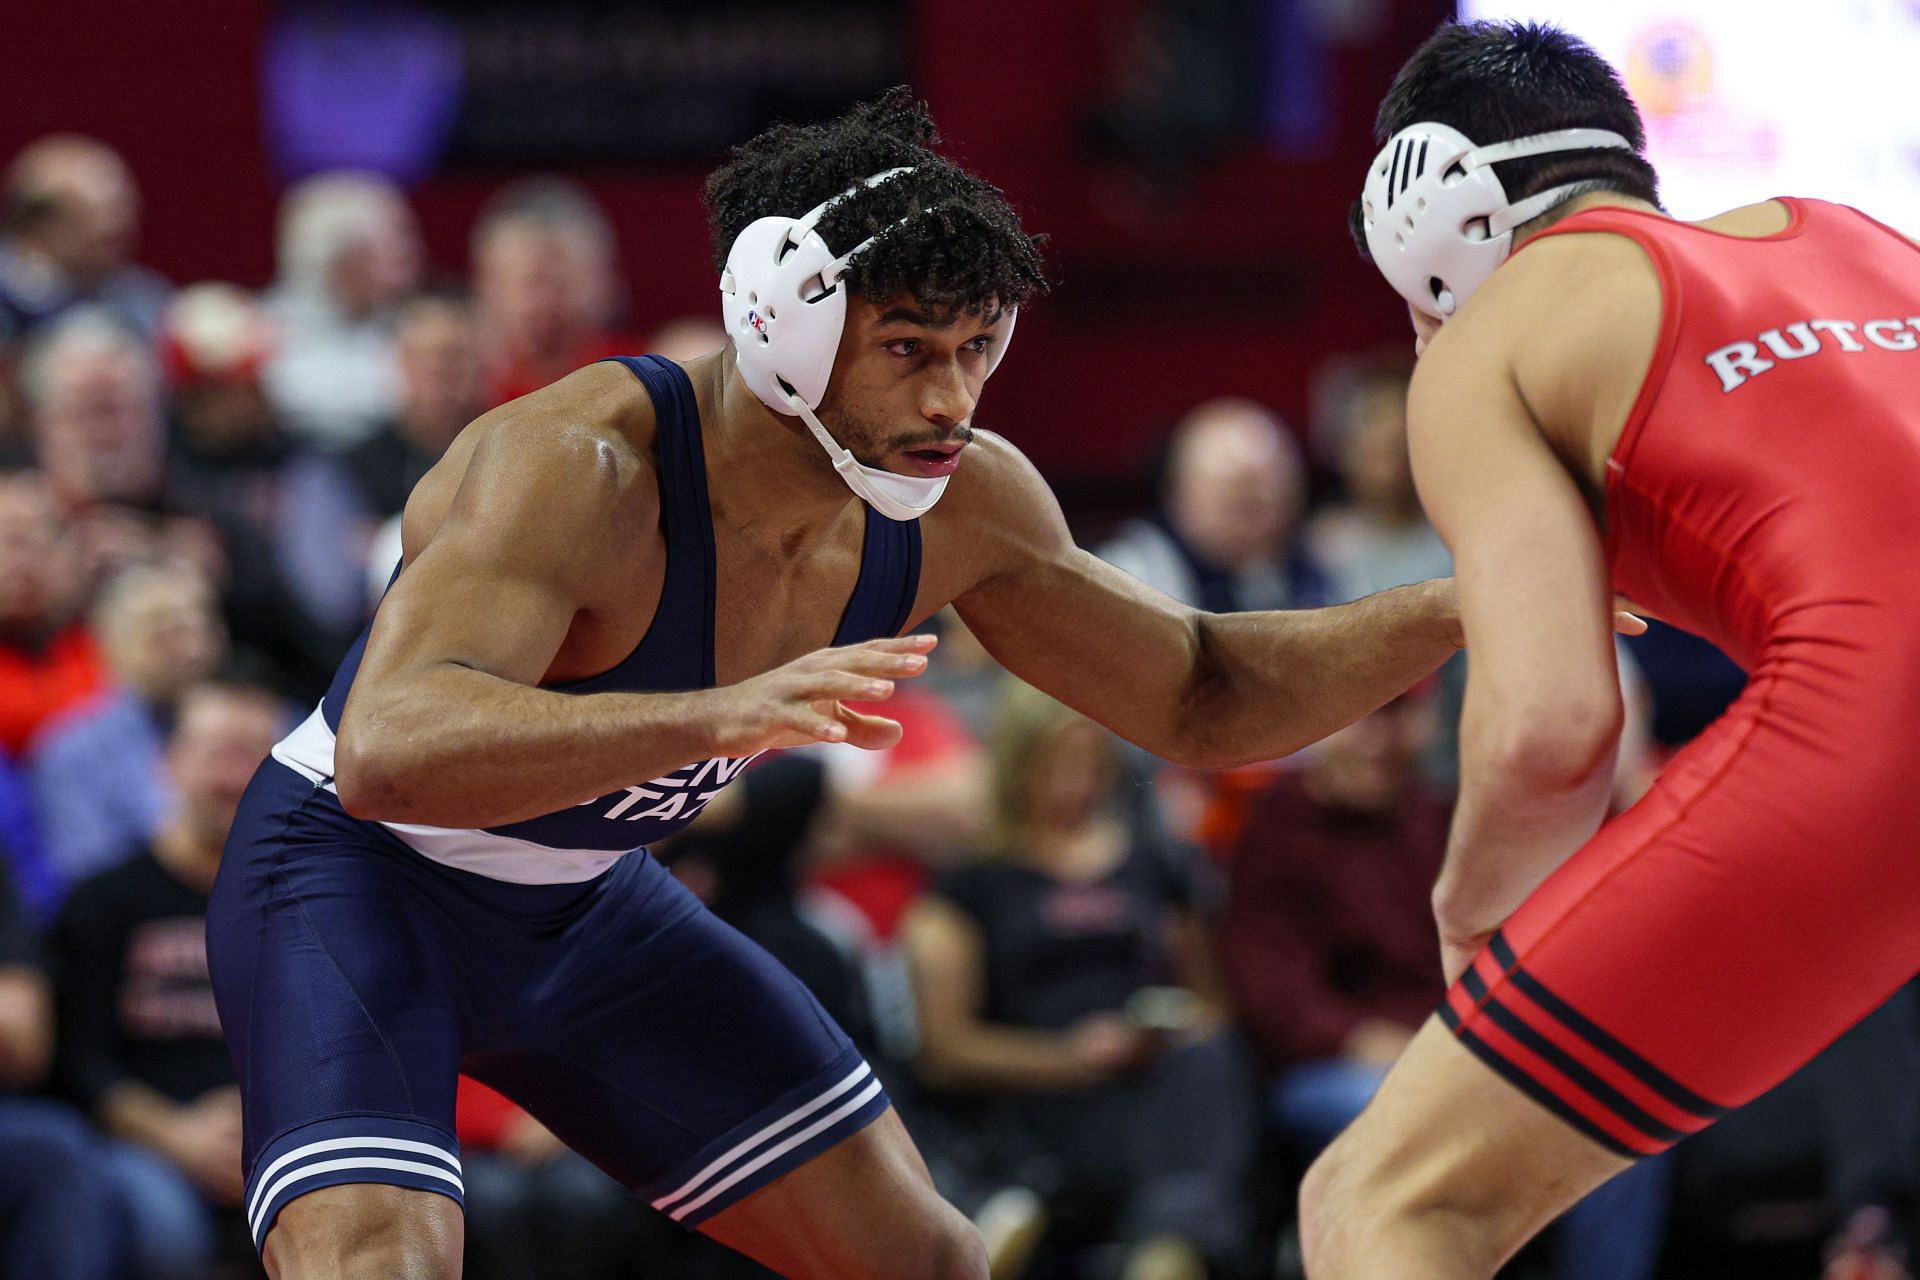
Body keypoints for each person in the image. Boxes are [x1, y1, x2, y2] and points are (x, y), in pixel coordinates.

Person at [207, 88, 1467, 1280]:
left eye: (977, 348)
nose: (950, 400)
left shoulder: (967, 502)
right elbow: (388, 746)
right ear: (785, 326)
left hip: (582, 906)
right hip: (352, 879)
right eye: (910, 348)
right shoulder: (581, 466)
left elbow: (1200, 693)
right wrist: (711, 717)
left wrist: (1474, 602)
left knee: (931, 1258)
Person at [1299, 19, 1920, 1278]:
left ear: (1417, 209)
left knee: (1383, 1199)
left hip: (1879, 725)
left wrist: (1473, 920)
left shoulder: (1489, 340)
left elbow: (1550, 727)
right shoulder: (1851, 233)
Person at [903, 681, 1255, 1280]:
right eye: (1055, 767)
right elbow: (945, 1050)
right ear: (1017, 767)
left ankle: (1169, 1247)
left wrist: (1164, 1029)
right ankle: (1169, 1251)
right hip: (1037, 1097)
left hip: (1147, 1077)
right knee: (1184, 1128)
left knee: (1210, 1058)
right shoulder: (970, 887)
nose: (1076, 786)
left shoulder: (1151, 865)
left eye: (1090, 765)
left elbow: (1211, 1002)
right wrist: (1068, 1057)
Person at [49, 678, 287, 1277]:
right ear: (169, 764)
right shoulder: (102, 901)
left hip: (278, 1141)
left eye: (250, 757)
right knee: (165, 1231)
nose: (232, 778)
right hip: (141, 1142)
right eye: (215, 753)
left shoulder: (307, 906)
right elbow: (78, 1063)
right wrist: (175, 1134)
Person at [29, 561, 226, 888]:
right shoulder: (71, 750)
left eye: (195, 630)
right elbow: (85, 873)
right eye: (162, 635)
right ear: (114, 646)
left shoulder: (258, 725)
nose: (190, 650)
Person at [1098, 396, 1328, 615]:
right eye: (1241, 507)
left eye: (1274, 503)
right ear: (1178, 497)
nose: (1262, 527)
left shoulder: (1327, 564)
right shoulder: (1126, 579)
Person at [262, 171, 422, 450]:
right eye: (395, 242)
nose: (414, 255)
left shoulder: (415, 328)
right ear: (342, 258)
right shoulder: (264, 336)